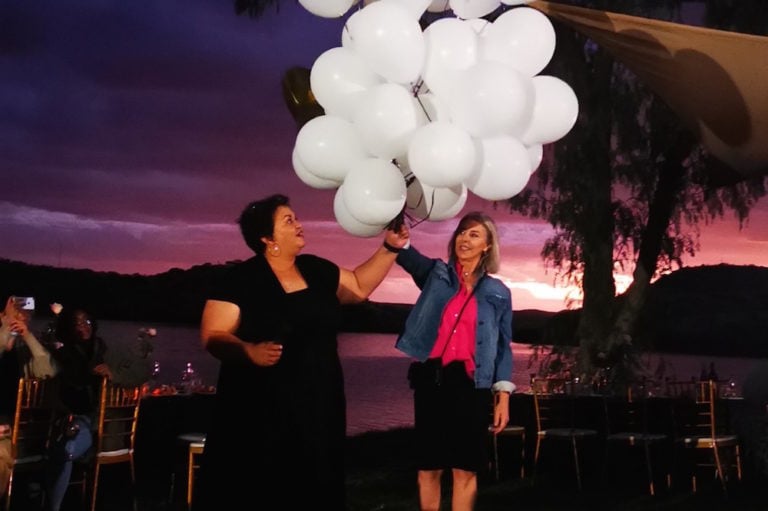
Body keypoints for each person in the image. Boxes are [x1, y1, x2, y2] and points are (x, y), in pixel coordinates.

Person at [194, 193, 408, 510]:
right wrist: (248, 350)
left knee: (315, 484)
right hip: (261, 409)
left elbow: (359, 287)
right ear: (267, 238)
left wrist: (390, 247)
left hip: (319, 403)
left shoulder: (316, 270)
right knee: (264, 487)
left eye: (296, 218)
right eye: (288, 220)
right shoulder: (239, 281)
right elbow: (213, 334)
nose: (299, 224)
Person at [394, 211, 514, 511]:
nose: (464, 238)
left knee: (465, 469)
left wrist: (503, 397)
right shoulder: (437, 275)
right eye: (462, 232)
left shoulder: (498, 293)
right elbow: (410, 258)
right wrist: (400, 242)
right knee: (429, 468)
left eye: (474, 234)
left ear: (488, 246)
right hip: (433, 380)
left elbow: (503, 348)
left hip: (472, 385)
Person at [45, 307, 113, 511]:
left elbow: (126, 373)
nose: (84, 327)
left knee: (65, 449)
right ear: (68, 328)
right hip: (76, 418)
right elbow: (70, 386)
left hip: (104, 422)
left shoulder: (102, 350)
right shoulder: (64, 354)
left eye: (87, 322)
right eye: (77, 323)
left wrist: (112, 373)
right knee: (66, 449)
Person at [0, 295, 56, 499]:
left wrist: (28, 337)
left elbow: (48, 371)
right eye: (16, 314)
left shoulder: (23, 353)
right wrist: (5, 328)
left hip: (13, 430)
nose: (20, 319)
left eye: (25, 317)